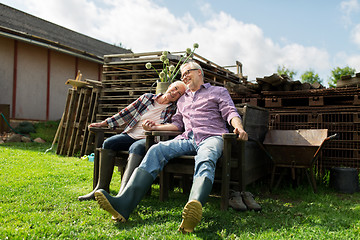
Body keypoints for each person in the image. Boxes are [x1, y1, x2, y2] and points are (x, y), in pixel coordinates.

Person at [94, 61, 248, 233]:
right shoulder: (182, 100)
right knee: (155, 150)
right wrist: (155, 127)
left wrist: (239, 127)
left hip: (212, 137)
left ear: (199, 72)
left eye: (187, 73)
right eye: (182, 75)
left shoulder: (218, 92)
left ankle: (193, 206)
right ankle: (124, 204)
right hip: (187, 138)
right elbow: (177, 125)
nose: (184, 77)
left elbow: (230, 112)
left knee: (206, 156)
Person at [78, 80, 187, 201]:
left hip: (151, 139)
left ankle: (123, 195)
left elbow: (176, 126)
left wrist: (155, 127)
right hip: (131, 134)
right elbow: (126, 113)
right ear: (170, 86)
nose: (175, 92)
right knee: (108, 143)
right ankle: (100, 188)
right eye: (175, 88)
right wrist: (104, 123)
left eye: (179, 93)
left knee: (136, 147)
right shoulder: (147, 98)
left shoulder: (175, 108)